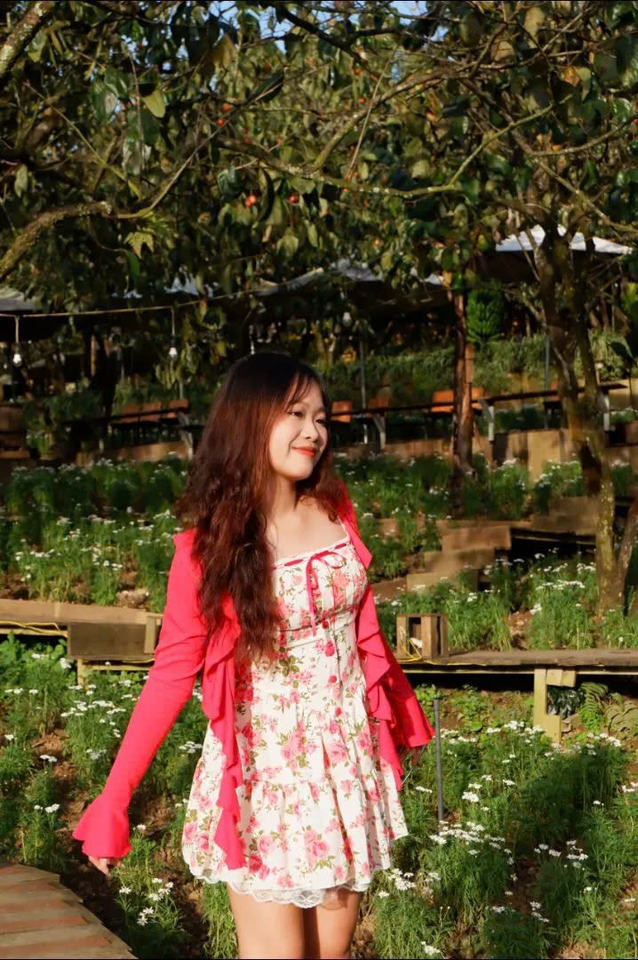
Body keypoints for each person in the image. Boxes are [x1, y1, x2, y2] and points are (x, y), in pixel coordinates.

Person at [72, 351, 434, 960]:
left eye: (321, 417)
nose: (313, 431)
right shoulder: (206, 551)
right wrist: (114, 798)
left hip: (344, 771)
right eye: (295, 413)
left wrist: (395, 723)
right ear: (249, 418)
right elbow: (171, 676)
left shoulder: (336, 511)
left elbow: (364, 638)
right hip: (266, 778)